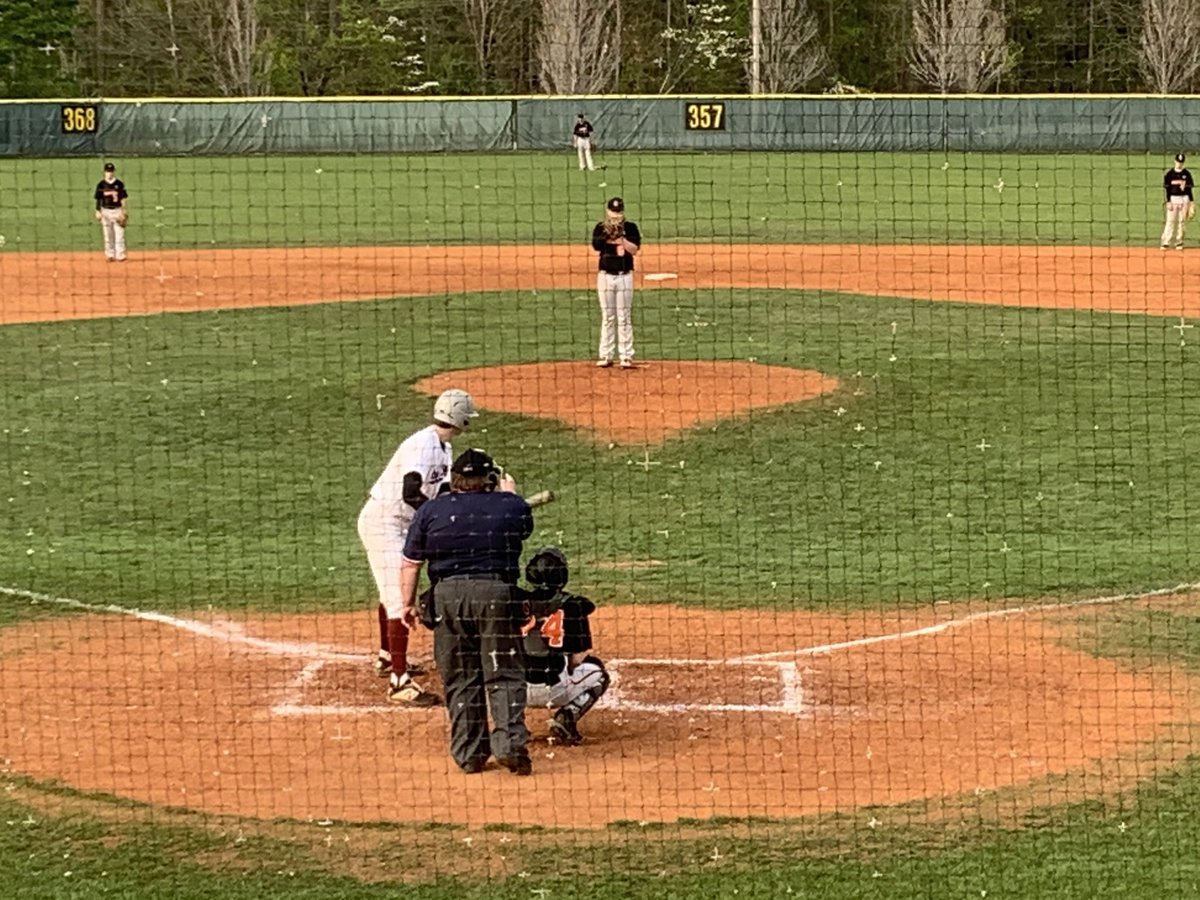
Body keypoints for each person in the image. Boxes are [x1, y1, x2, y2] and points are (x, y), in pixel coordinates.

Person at [401, 449, 535, 775]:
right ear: (489, 478)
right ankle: (509, 745)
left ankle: (469, 754)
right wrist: (510, 495)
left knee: (461, 677)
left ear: (455, 479)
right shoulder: (511, 506)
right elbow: (523, 528)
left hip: (447, 599)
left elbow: (411, 563)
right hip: (495, 596)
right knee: (504, 673)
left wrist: (406, 604)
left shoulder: (431, 510)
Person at [357, 389, 478, 707]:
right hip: (383, 523)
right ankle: (399, 682)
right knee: (399, 599)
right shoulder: (422, 445)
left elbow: (442, 491)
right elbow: (411, 491)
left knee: (392, 591)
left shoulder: (444, 447)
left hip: (402, 525)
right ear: (461, 418)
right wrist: (434, 519)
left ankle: (388, 657)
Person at [518, 547, 610, 746]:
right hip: (556, 689)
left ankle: (513, 726)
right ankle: (566, 718)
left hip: (516, 690)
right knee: (599, 672)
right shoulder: (574, 606)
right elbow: (578, 659)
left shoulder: (513, 604)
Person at [592, 196, 641, 369]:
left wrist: (621, 239)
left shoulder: (631, 227)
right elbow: (596, 245)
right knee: (608, 316)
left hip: (624, 276)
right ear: (608, 211)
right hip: (605, 276)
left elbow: (634, 249)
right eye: (613, 211)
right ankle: (606, 355)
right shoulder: (600, 227)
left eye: (619, 211)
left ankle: (626, 356)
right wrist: (608, 234)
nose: (616, 215)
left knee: (624, 316)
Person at [94, 162, 129, 262]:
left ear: (114, 172)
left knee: (119, 234)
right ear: (104, 172)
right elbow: (98, 199)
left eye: (111, 171)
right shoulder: (101, 185)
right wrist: (98, 211)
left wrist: (124, 211)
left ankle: (120, 254)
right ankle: (110, 254)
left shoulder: (119, 184)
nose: (109, 173)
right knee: (108, 235)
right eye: (107, 171)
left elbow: (123, 198)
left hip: (117, 210)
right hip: (105, 211)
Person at [1162, 153, 1195, 250]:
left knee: (1182, 221)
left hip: (1184, 198)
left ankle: (1179, 242)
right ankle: (1166, 242)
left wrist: (1192, 203)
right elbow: (1167, 190)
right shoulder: (1169, 174)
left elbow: (1189, 190)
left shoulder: (1187, 174)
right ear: (1175, 161)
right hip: (1173, 198)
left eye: (1181, 162)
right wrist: (1168, 201)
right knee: (1170, 221)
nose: (1179, 164)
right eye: (1178, 162)